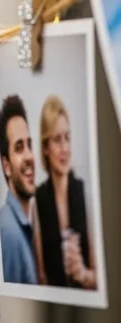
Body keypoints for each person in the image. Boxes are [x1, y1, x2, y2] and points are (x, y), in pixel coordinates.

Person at [35, 95, 96, 289]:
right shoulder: (38, 200)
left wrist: (83, 274)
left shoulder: (84, 191)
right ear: (45, 147)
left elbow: (100, 279)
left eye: (67, 138)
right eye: (56, 140)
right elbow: (41, 278)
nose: (64, 148)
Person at [0, 95, 38, 284]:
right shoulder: (9, 233)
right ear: (6, 166)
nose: (29, 156)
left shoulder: (22, 227)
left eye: (29, 145)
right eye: (19, 148)